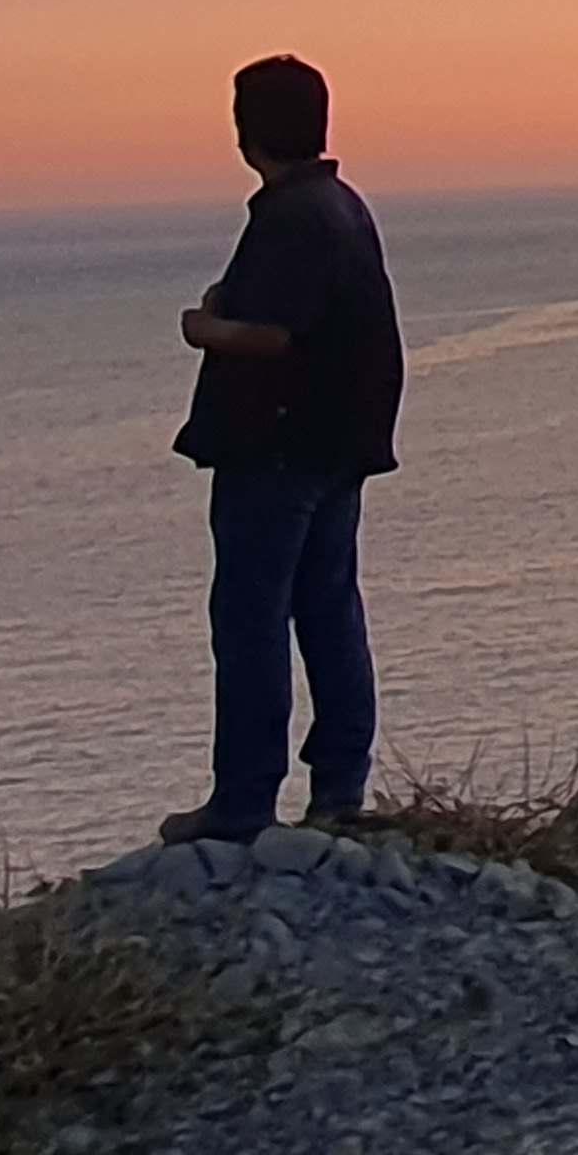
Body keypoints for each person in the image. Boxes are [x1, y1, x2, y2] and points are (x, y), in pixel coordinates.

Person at [159, 54, 404, 844]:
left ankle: (243, 802)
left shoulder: (292, 215)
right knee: (328, 608)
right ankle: (339, 789)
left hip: (277, 447)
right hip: (338, 444)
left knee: (251, 617)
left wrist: (204, 328)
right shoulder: (342, 207)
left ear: (246, 132)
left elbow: (271, 334)